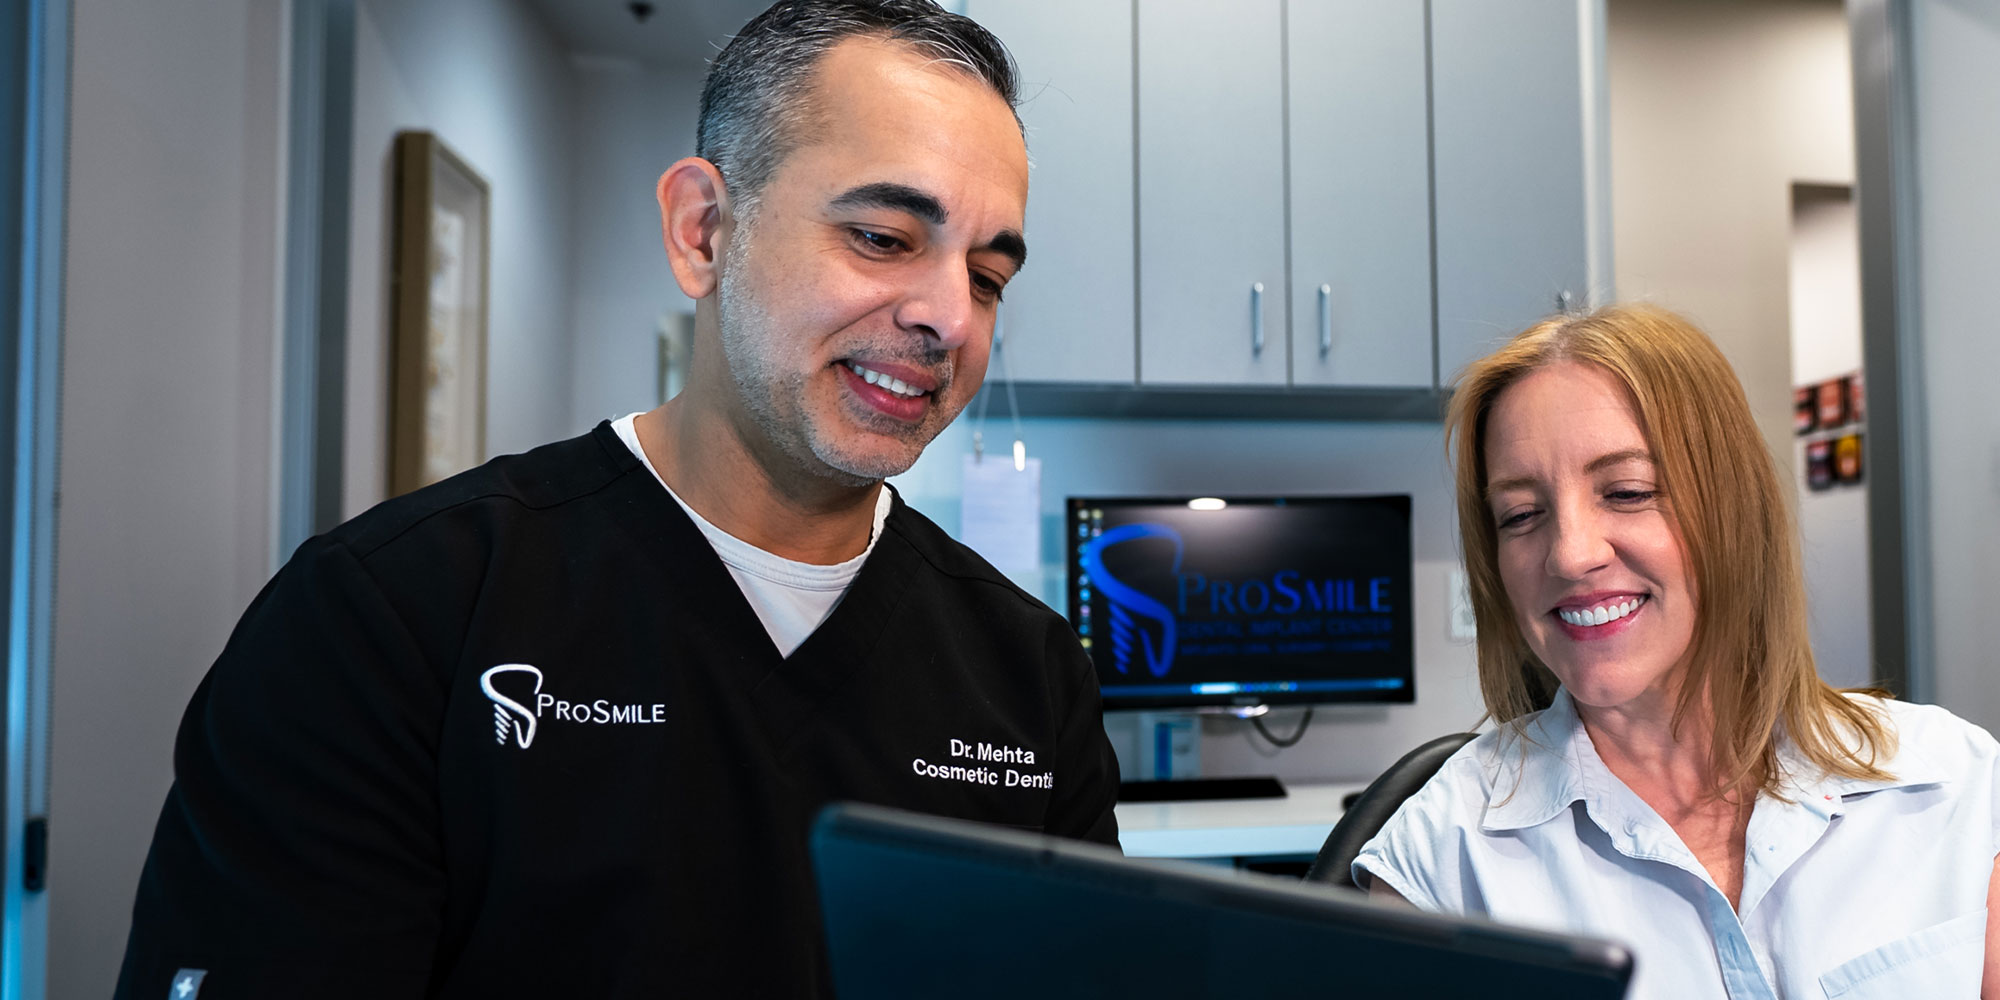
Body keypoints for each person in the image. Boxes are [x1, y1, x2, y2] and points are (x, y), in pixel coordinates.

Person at [114, 2, 1120, 996]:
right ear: (702, 230)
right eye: (881, 236)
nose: (948, 315)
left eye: (987, 277)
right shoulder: (392, 616)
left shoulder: (1027, 673)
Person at [1353, 304, 2000, 1000]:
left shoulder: (1952, 784)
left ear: (1733, 511)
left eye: (1627, 493)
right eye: (1521, 515)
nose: (1570, 555)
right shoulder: (1444, 857)